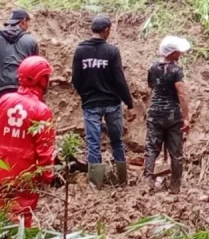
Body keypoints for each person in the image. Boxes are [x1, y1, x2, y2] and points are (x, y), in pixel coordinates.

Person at [0, 56, 55, 227]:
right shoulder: (41, 110)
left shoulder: (3, 101)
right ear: (41, 79)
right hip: (25, 173)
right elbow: (45, 149)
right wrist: (48, 176)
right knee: (21, 216)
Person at [72, 15, 134, 189]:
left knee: (93, 142)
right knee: (117, 140)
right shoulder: (112, 51)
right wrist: (129, 103)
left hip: (91, 103)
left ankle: (95, 183)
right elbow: (119, 79)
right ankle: (121, 180)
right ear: (106, 30)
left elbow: (76, 78)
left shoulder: (80, 51)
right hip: (112, 103)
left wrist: (85, 94)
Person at [144, 36, 192, 193]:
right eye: (178, 51)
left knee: (151, 148)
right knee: (176, 152)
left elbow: (152, 86)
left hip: (155, 114)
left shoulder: (153, 68)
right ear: (172, 53)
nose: (180, 54)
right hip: (172, 116)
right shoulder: (176, 71)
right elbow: (182, 94)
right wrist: (186, 117)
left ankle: (148, 181)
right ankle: (175, 186)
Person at [0, 8, 39, 106]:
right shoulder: (30, 41)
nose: (28, 26)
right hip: (21, 90)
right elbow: (36, 67)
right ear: (23, 22)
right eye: (28, 23)